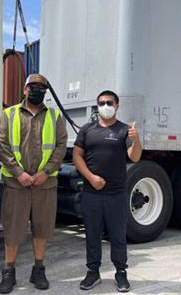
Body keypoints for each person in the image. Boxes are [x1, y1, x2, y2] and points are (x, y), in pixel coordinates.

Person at [0, 74, 68, 294]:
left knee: (42, 229)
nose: (37, 91)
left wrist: (46, 172)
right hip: (17, 184)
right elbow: (1, 145)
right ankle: (8, 272)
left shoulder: (55, 116)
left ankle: (38, 270)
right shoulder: (9, 114)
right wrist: (19, 174)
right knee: (13, 230)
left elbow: (61, 146)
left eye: (41, 88)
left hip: (44, 184)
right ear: (25, 90)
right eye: (33, 87)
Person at [73, 90, 142, 293]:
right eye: (101, 103)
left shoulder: (124, 130)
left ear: (117, 105)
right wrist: (91, 178)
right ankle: (93, 272)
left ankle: (121, 272)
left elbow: (135, 157)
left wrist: (136, 140)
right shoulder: (87, 130)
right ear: (97, 106)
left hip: (116, 194)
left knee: (118, 235)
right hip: (91, 193)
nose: (105, 106)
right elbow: (77, 156)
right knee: (92, 234)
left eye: (109, 102)